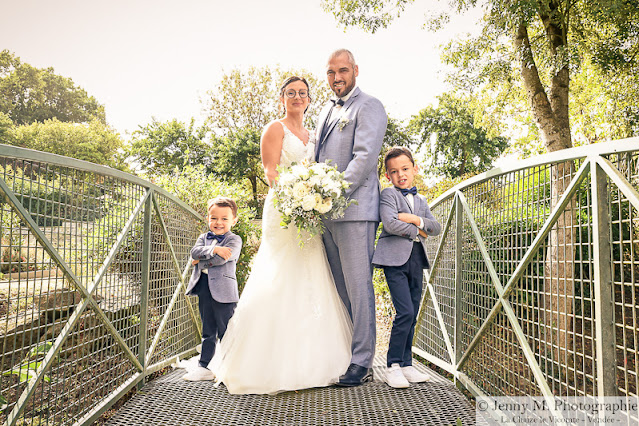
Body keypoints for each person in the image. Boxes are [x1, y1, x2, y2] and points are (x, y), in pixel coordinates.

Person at [210, 76, 353, 394]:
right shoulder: (275, 129)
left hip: (308, 211)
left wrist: (314, 194)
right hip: (284, 209)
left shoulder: (313, 135)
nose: (297, 97)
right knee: (279, 272)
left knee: (311, 274)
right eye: (291, 93)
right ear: (282, 99)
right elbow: (270, 172)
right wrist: (296, 195)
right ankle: (261, 360)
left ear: (309, 99)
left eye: (303, 93)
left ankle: (313, 357)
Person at [315, 49, 387, 386]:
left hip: (354, 210)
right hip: (323, 213)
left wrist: (331, 193)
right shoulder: (326, 110)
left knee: (359, 288)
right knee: (338, 286)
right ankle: (345, 352)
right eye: (331, 73)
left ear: (356, 70)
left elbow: (363, 159)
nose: (337, 78)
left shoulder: (369, 106)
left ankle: (362, 362)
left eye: (342, 71)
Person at [372, 147, 441, 388]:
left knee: (413, 312)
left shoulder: (420, 200)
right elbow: (390, 224)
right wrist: (420, 230)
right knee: (405, 312)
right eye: (394, 171)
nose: (401, 175)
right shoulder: (388, 195)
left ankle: (407, 364)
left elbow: (436, 227)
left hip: (416, 259)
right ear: (388, 176)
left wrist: (412, 219)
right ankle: (392, 366)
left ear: (414, 169)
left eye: (405, 169)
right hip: (394, 260)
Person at [182, 197, 242, 381]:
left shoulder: (234, 240)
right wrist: (215, 250)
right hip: (205, 288)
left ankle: (231, 366)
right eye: (214, 218)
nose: (219, 223)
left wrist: (201, 261)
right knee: (207, 329)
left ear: (234, 220)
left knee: (226, 330)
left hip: (224, 292)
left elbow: (222, 260)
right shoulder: (203, 237)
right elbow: (194, 251)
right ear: (208, 218)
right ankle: (204, 366)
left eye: (224, 218)